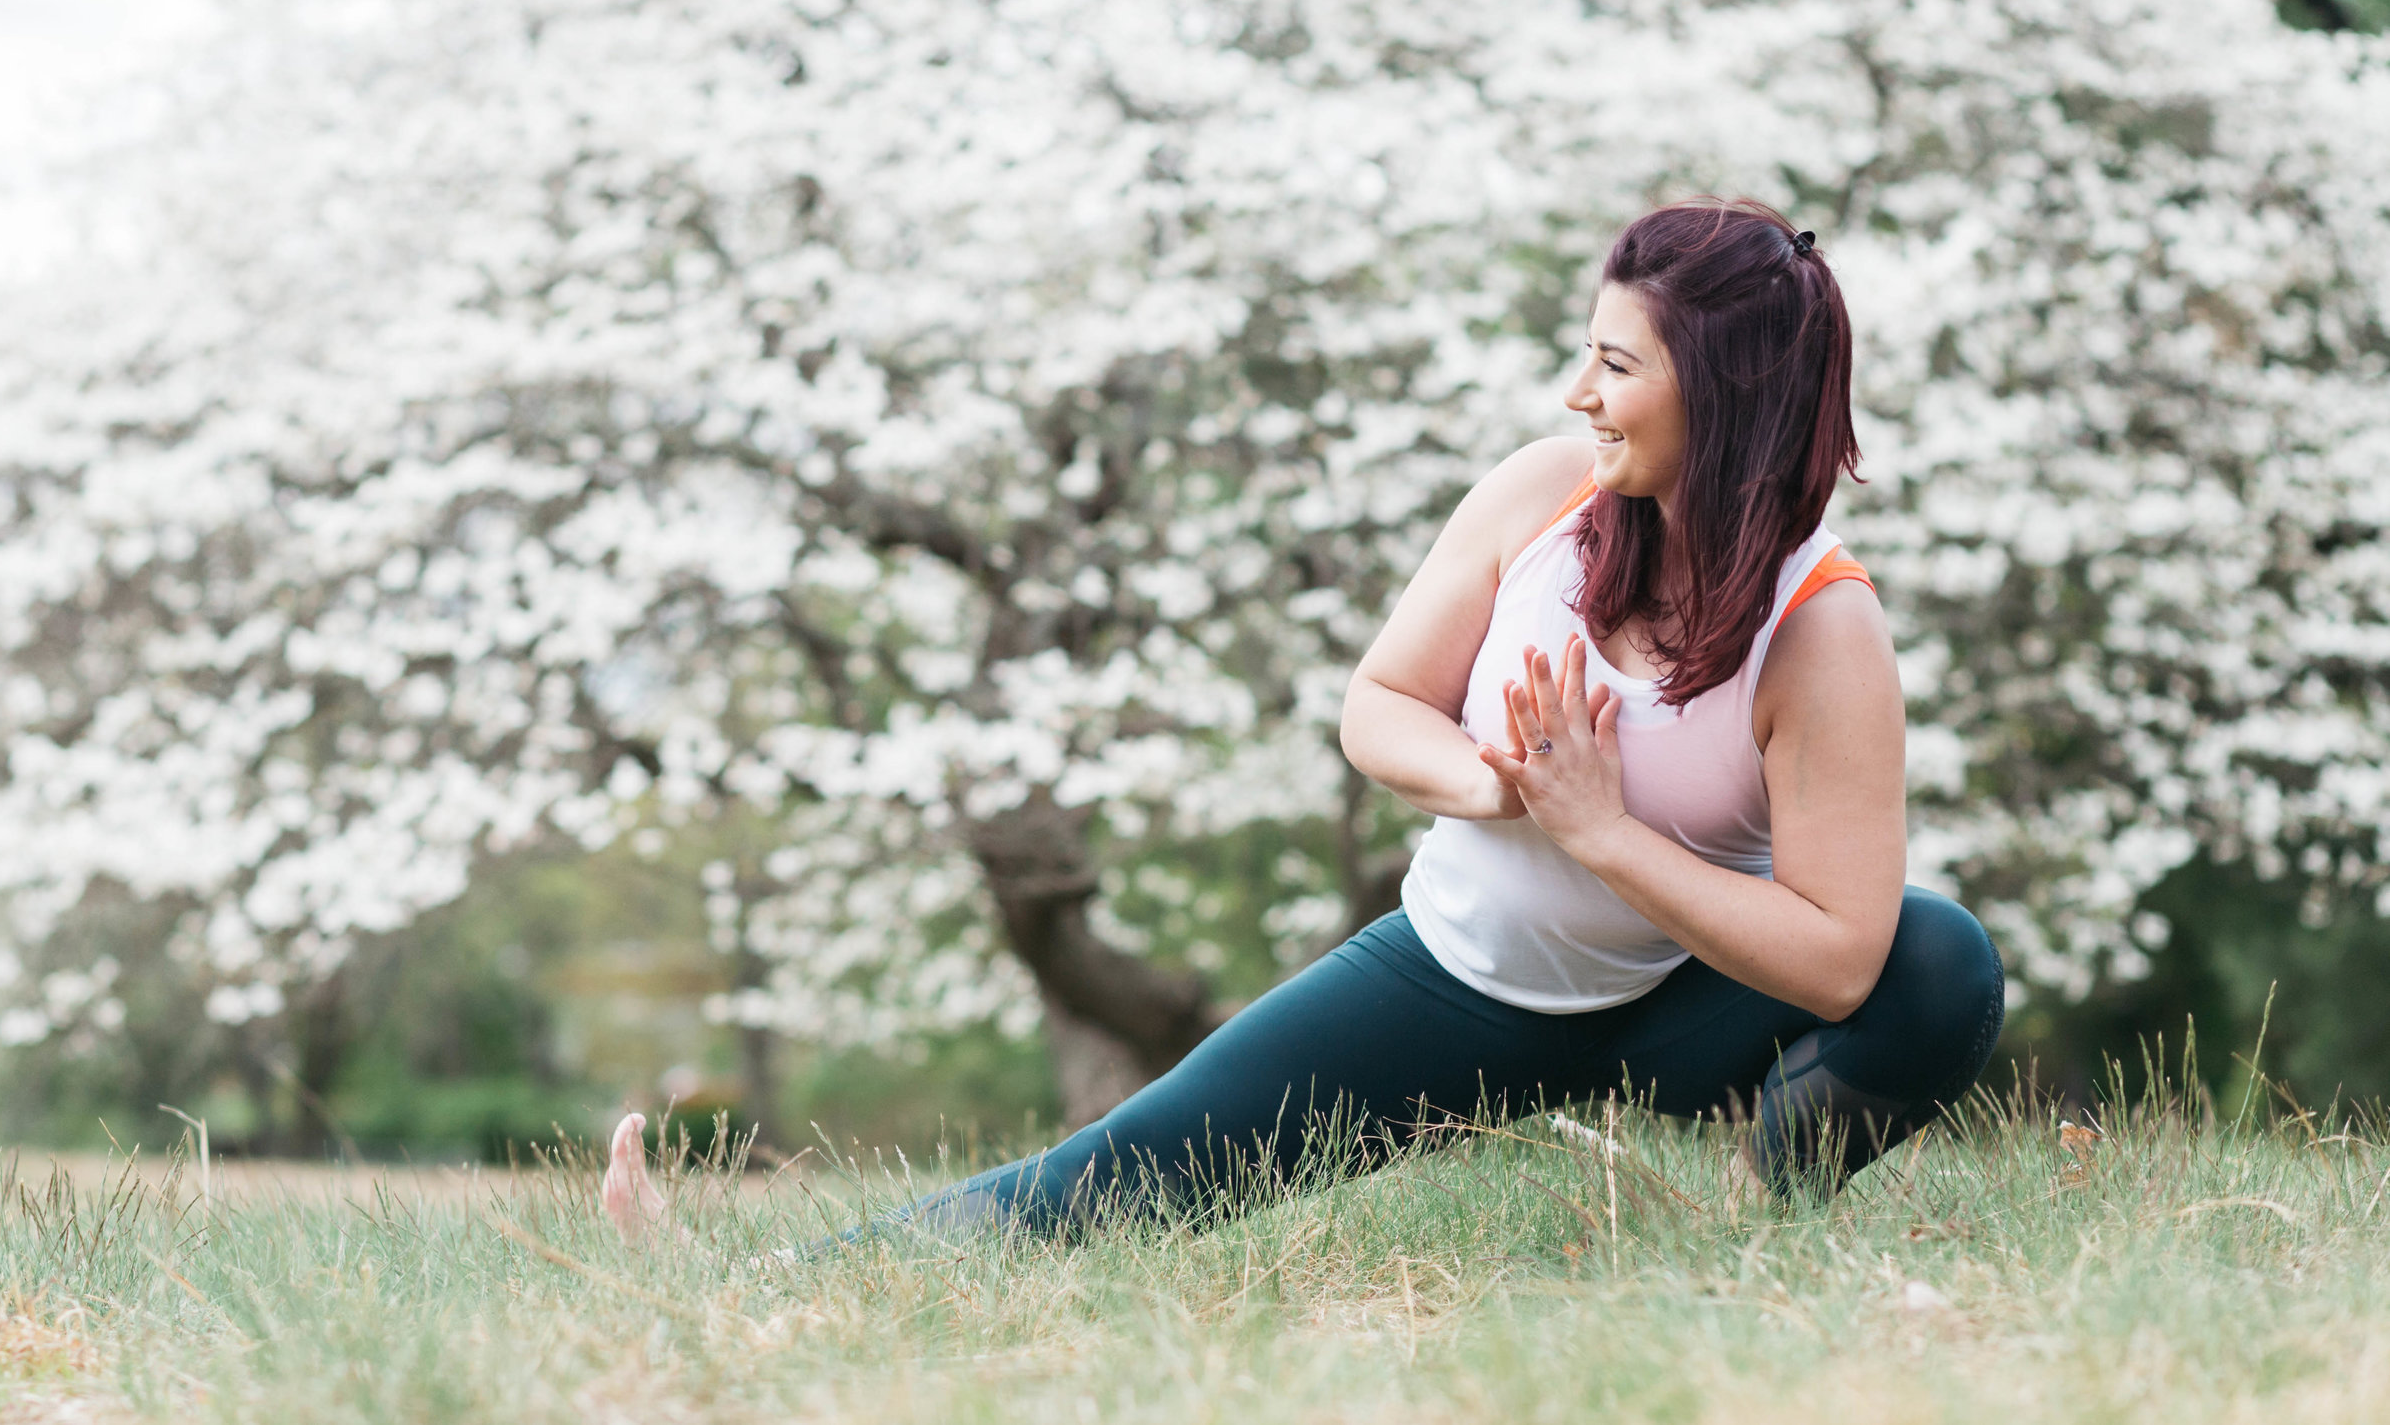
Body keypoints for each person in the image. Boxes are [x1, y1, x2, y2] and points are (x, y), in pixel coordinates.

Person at [602, 198, 2004, 1246]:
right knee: (1111, 1180)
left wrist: (1608, 832)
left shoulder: (1822, 629)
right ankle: (744, 1280)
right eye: (1587, 354)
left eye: (1616, 366)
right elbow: (1377, 705)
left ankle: (1751, 1233)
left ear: (1730, 392)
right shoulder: (1546, 499)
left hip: (1679, 1008)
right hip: (1459, 975)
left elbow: (1834, 961)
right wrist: (1498, 782)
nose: (1579, 393)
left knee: (1938, 963)